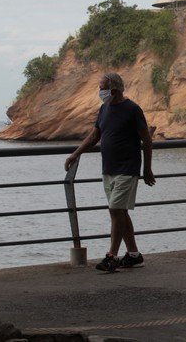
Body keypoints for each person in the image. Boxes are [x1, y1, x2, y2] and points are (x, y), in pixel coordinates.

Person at [64, 72, 155, 272]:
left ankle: (111, 256)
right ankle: (133, 254)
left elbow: (146, 140)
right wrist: (75, 154)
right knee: (120, 212)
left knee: (115, 210)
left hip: (127, 168)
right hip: (109, 169)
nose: (100, 91)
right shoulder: (104, 109)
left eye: (102, 88)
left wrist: (146, 169)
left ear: (113, 90)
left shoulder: (132, 109)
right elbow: (95, 134)